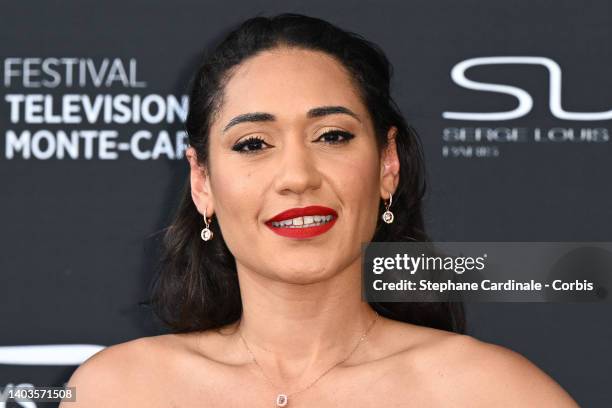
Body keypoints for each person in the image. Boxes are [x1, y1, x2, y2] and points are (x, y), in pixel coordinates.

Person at [61, 13, 578, 407]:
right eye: (253, 143)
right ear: (202, 181)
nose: (297, 176)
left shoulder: (491, 393)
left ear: (387, 164)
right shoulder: (117, 389)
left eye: (332, 136)